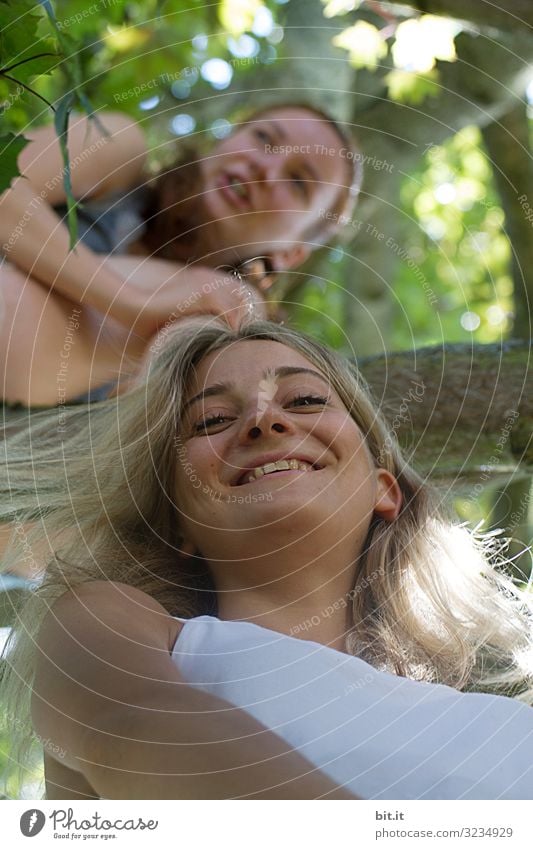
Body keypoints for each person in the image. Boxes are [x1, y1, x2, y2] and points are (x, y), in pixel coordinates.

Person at [1, 317, 532, 800]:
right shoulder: (108, 626)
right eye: (211, 420)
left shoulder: (509, 731)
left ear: (384, 490)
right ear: (176, 524)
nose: (262, 420)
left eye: (303, 400)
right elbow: (135, 733)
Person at [0, 104, 360, 407]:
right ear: (226, 138)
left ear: (292, 253)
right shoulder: (118, 147)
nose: (265, 169)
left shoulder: (227, 320)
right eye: (263, 138)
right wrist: (134, 305)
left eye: (298, 182)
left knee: (232, 306)